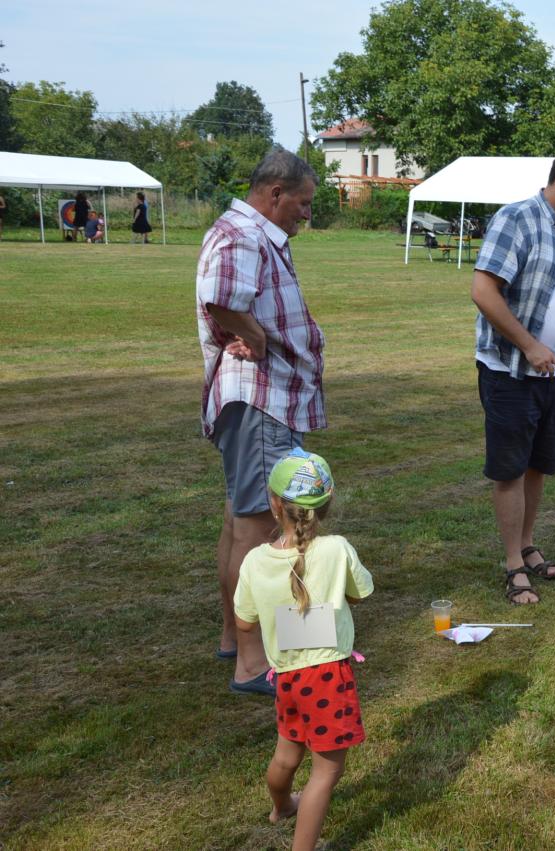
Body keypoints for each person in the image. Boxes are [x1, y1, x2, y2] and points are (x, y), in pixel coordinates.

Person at [197, 149, 324, 695]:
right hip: (261, 401)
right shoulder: (245, 235)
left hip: (262, 401)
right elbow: (221, 300)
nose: (306, 214)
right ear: (275, 194)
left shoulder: (253, 234)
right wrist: (257, 336)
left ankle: (235, 638)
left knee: (239, 519)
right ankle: (254, 664)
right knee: (260, 529)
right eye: (303, 203)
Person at [471, 143, 555, 605]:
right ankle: (513, 564)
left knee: (537, 464)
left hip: (554, 375)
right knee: (510, 469)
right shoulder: (517, 219)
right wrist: (529, 346)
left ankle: (528, 545)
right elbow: (484, 291)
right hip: (510, 370)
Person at [233, 449, 373, 851]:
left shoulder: (254, 561)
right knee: (325, 774)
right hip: (328, 678)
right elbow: (361, 593)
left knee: (287, 754)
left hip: (285, 677)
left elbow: (244, 623)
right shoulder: (338, 548)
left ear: (274, 503)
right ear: (327, 504)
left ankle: (281, 806)